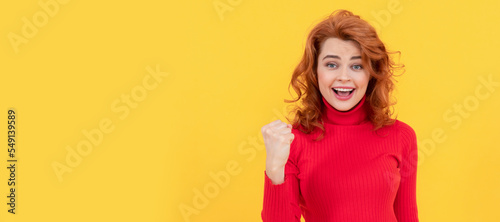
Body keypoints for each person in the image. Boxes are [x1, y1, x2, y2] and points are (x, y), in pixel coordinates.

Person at [260, 10, 419, 221]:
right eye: (332, 64)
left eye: (356, 66)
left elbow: (407, 217)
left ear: (371, 74)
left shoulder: (401, 136)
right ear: (315, 72)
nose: (343, 77)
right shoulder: (292, 141)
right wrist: (274, 168)